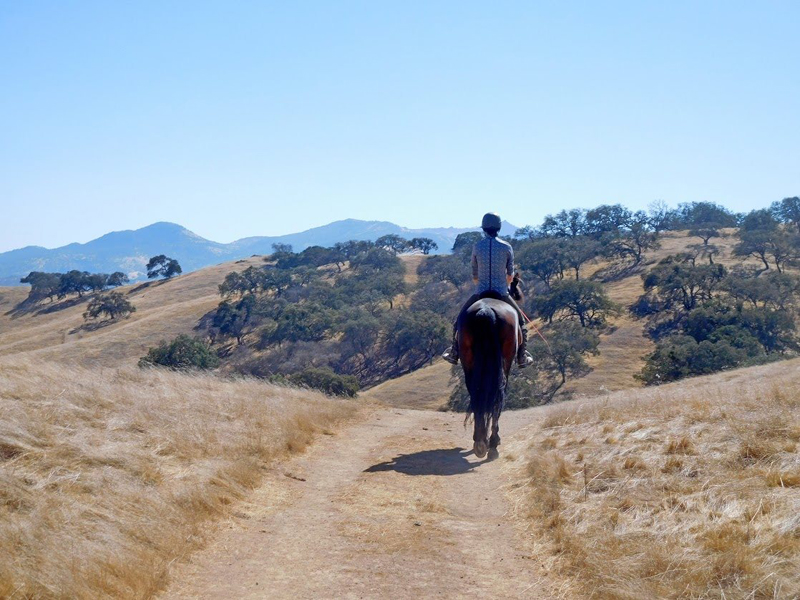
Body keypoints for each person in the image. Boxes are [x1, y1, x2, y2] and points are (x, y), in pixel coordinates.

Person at [442, 212, 534, 368]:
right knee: (521, 322)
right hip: (502, 293)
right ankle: (522, 355)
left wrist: (482, 282)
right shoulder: (506, 247)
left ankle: (454, 352)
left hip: (481, 292)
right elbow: (510, 276)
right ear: (498, 228)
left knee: (459, 321)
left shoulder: (477, 246)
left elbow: (475, 275)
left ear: (484, 228)